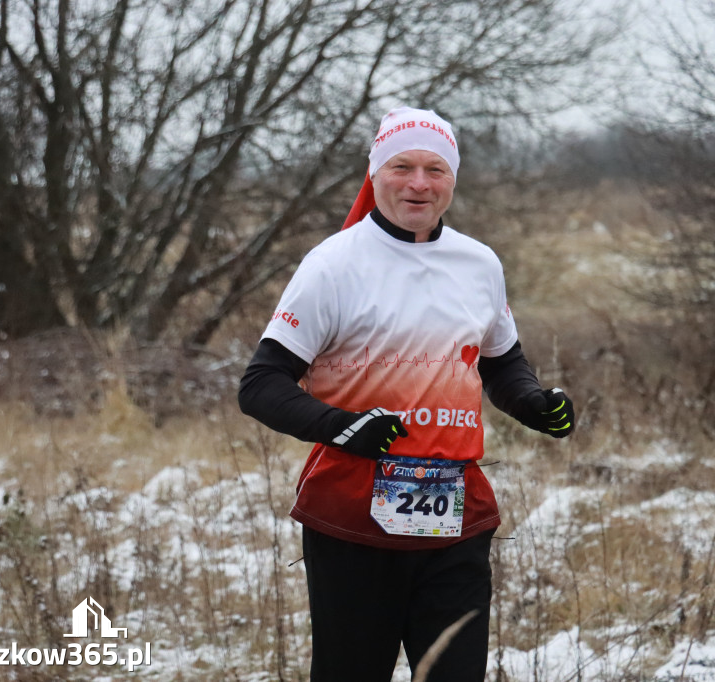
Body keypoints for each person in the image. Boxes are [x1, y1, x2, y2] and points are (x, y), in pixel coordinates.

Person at [238, 106, 574, 682]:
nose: (419, 183)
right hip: (351, 519)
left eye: (435, 169)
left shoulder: (478, 264)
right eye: (402, 166)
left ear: (452, 181)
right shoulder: (333, 264)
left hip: (454, 518)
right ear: (375, 174)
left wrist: (532, 403)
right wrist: (341, 425)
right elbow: (261, 384)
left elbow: (501, 363)